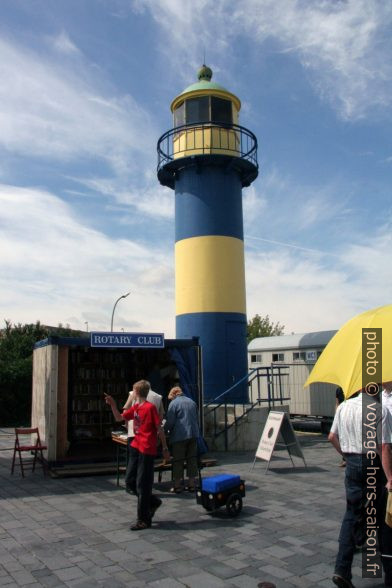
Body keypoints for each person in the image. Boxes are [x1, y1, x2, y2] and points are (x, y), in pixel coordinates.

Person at [328, 386, 392, 588]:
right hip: (374, 465)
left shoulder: (343, 407)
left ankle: (342, 569)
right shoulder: (380, 410)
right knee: (383, 521)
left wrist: (345, 456)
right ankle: (390, 574)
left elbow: (331, 436)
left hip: (353, 465)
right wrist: (390, 477)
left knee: (351, 515)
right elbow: (384, 447)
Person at [105, 380, 170, 531]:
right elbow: (119, 418)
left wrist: (165, 448)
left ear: (137, 392)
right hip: (136, 446)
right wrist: (113, 405)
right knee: (129, 481)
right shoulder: (135, 408)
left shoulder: (150, 408)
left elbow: (159, 429)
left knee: (143, 485)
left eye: (133, 391)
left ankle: (143, 519)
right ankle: (152, 502)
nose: (132, 393)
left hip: (147, 449)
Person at [122, 382, 164, 494]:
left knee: (133, 460)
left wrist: (126, 426)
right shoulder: (158, 397)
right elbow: (161, 415)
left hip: (134, 433)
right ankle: (143, 487)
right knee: (145, 465)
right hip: (149, 436)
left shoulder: (132, 394)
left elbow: (125, 409)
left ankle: (131, 484)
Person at [164, 386, 200, 493]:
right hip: (193, 434)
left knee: (178, 460)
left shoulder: (174, 404)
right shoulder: (192, 402)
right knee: (192, 460)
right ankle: (192, 484)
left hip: (180, 436)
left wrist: (164, 430)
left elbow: (170, 422)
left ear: (173, 395)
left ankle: (177, 486)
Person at [335, 387, 346, 467]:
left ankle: (347, 458)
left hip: (351, 415)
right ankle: (345, 458)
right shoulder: (339, 389)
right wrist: (336, 415)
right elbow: (337, 403)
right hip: (342, 416)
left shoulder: (354, 389)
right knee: (342, 438)